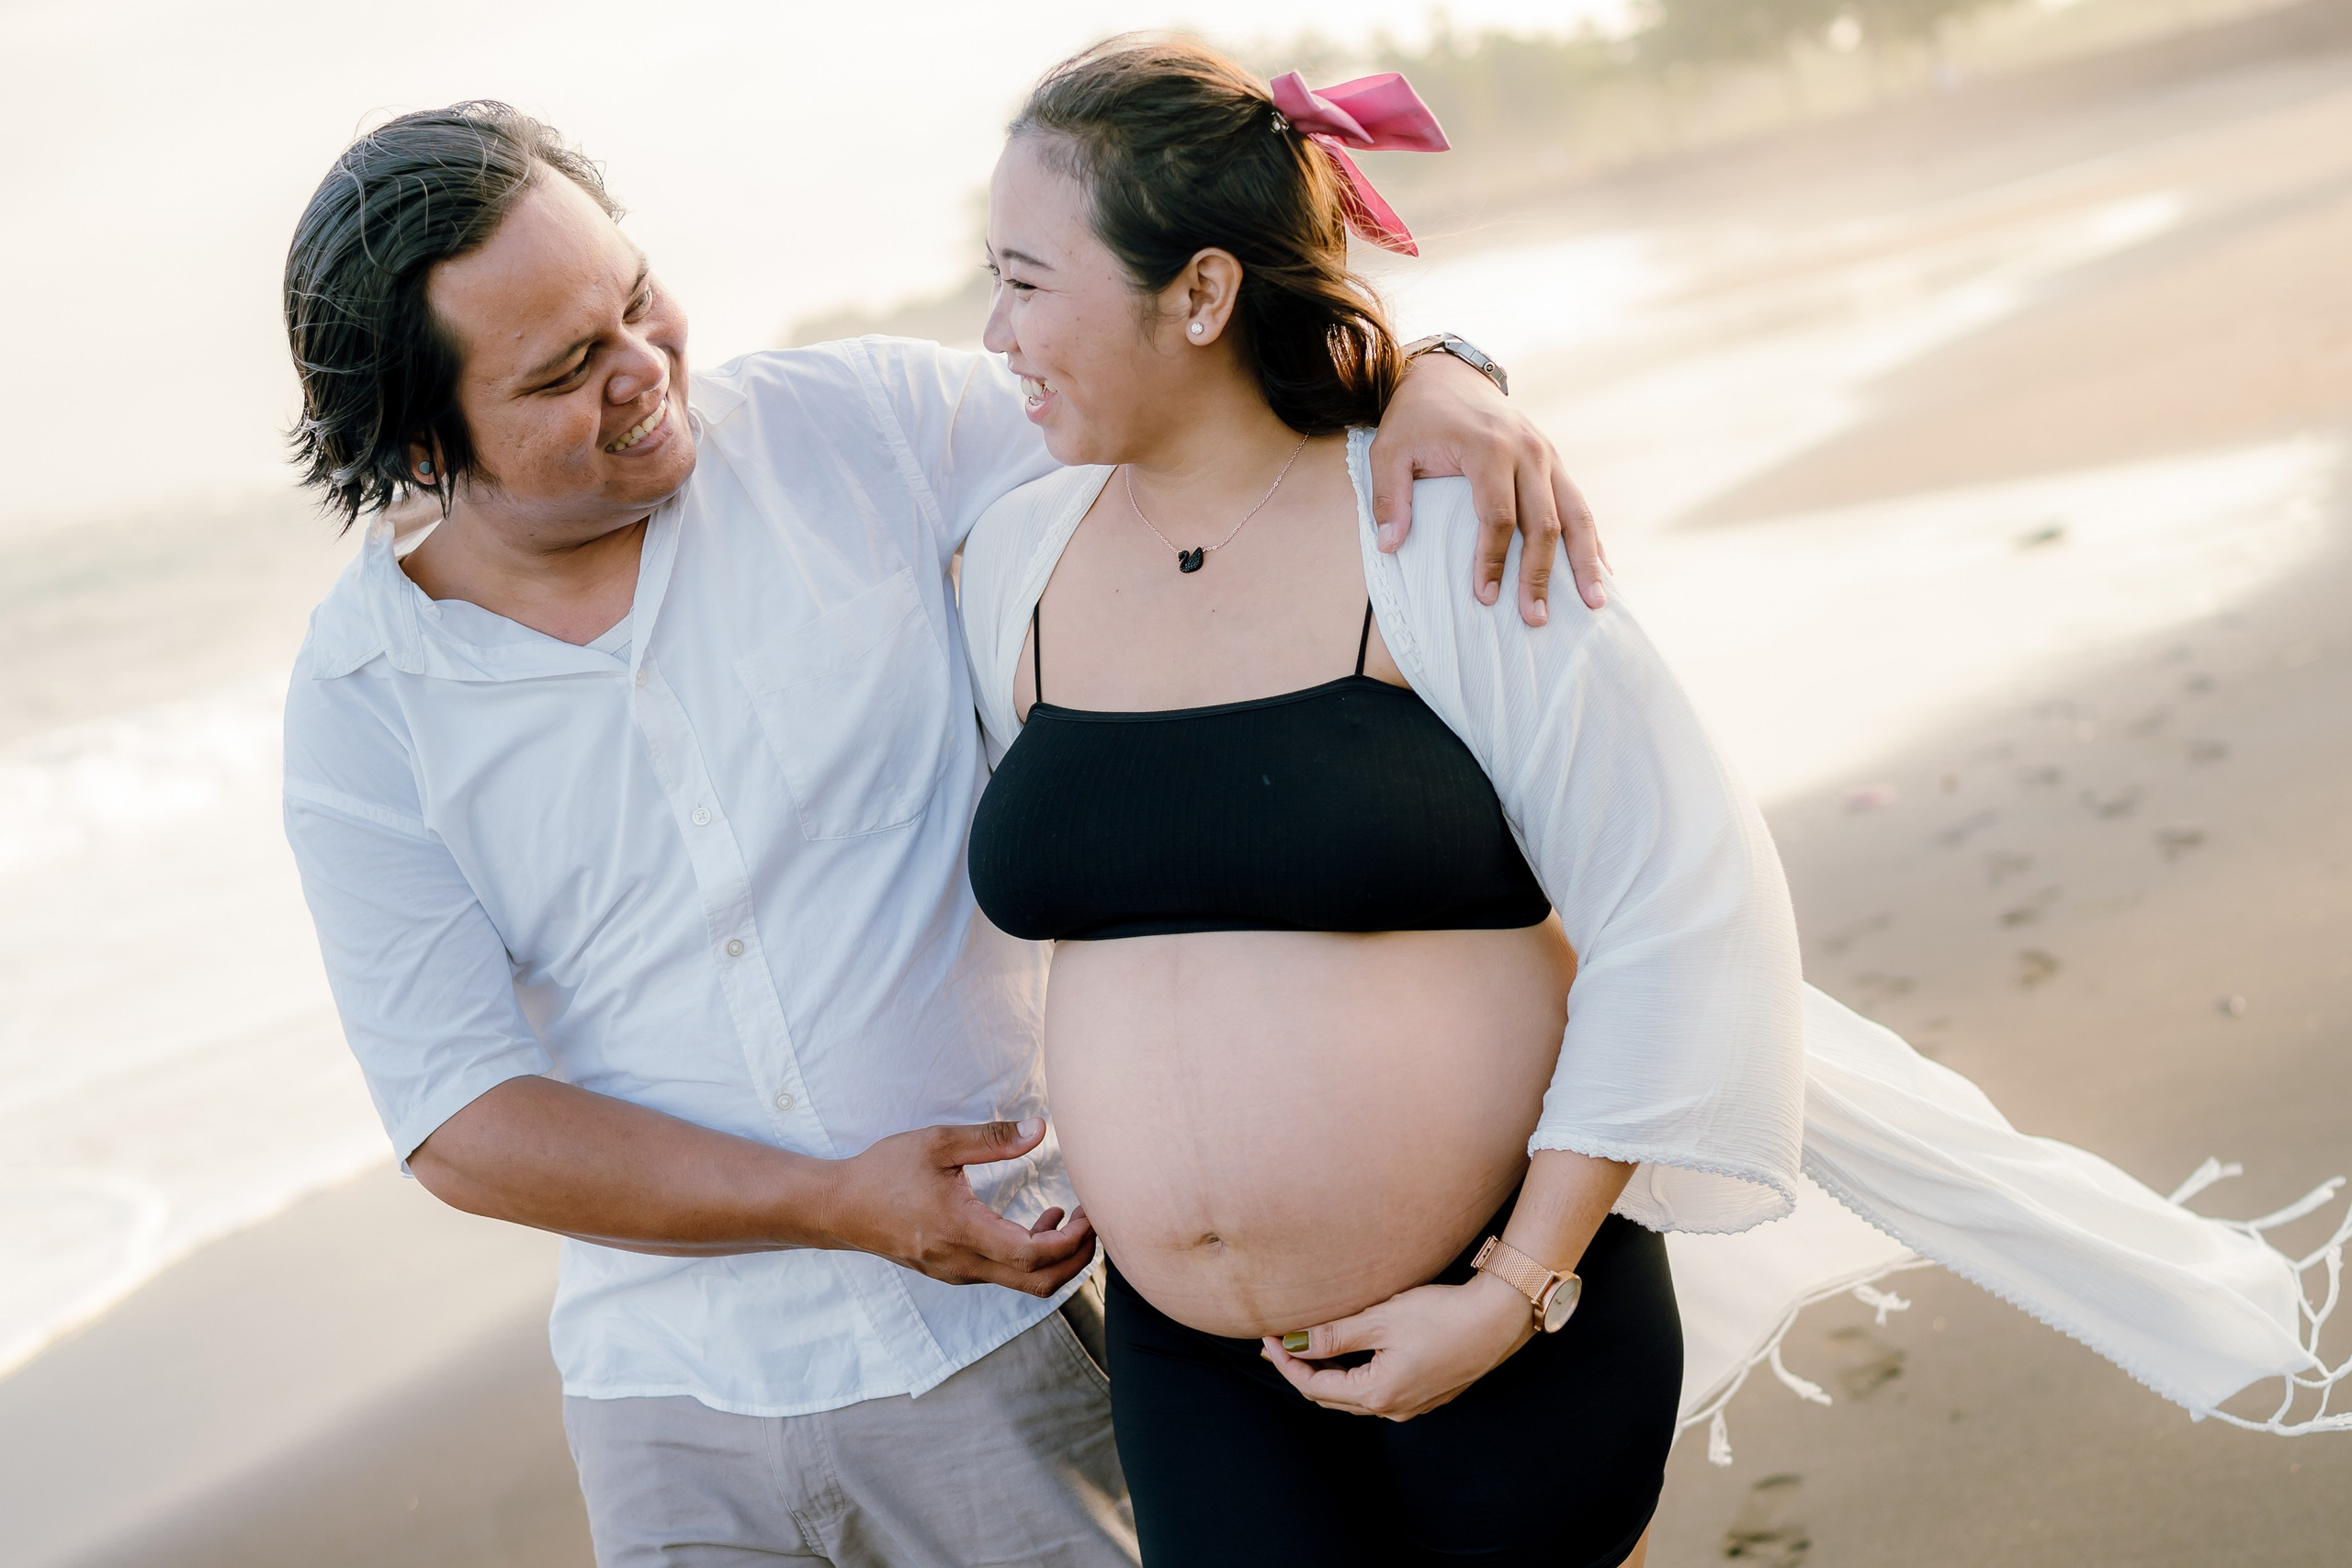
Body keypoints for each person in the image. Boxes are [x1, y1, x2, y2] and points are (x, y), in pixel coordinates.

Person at [956, 39, 2351, 1568]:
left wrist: (1513, 1290)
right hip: (1194, 1365)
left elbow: (1682, 904)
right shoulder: (1015, 560)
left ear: (1203, 294)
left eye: (1024, 282)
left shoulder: (1441, 528)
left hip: (1504, 1323)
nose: (992, 330)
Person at [277, 100, 1605, 1567]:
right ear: (416, 440)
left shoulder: (859, 432)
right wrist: (831, 1206)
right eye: (564, 370)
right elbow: (463, 1122)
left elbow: (1189, 396)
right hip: (666, 1406)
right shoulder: (362, 698)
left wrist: (1436, 369)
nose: (643, 367)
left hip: (1006, 1333)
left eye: (637, 300)